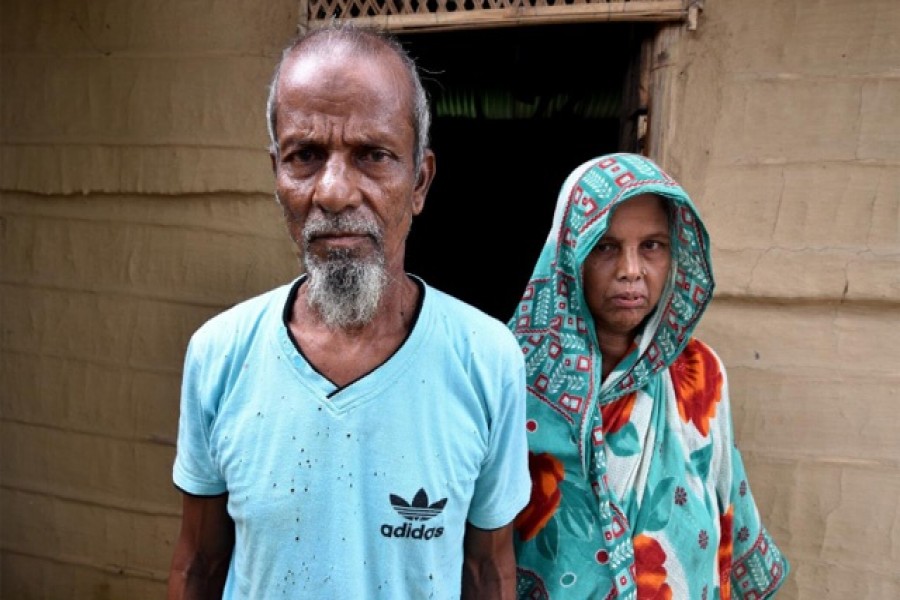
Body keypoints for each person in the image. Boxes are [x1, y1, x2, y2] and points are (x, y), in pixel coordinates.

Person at [167, 25, 530, 599]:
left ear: (420, 182)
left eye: (373, 155)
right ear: (277, 177)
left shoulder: (486, 361)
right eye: (305, 156)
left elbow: (487, 570)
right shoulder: (219, 354)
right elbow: (200, 565)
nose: (333, 192)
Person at [510, 153, 789, 599]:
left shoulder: (699, 373)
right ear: (570, 253)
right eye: (605, 246)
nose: (631, 270)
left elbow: (725, 499)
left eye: (652, 246)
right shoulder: (512, 376)